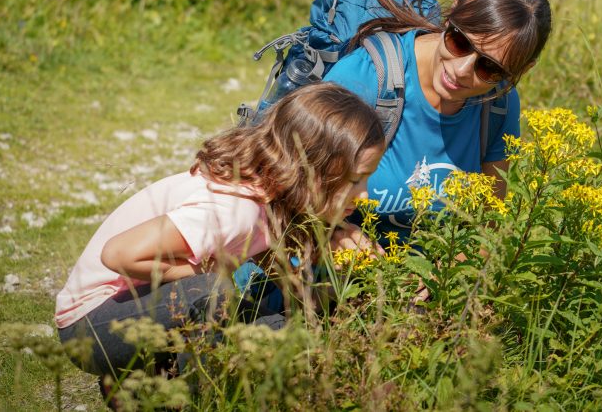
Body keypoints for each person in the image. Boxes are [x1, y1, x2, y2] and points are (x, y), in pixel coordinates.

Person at [55, 83, 385, 389]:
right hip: (89, 327)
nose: (364, 195)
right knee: (213, 291)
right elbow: (118, 254)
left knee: (274, 331)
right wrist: (205, 270)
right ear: (309, 169)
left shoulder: (271, 199)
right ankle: (193, 396)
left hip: (144, 309)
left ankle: (143, 386)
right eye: (354, 180)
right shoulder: (235, 211)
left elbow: (287, 282)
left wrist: (341, 261)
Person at [324, 0, 552, 242]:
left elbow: (487, 226)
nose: (461, 70)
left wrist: (453, 265)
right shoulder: (364, 77)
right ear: (451, 13)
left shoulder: (499, 105)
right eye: (460, 42)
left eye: (489, 67)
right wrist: (333, 241)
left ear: (523, 70)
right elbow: (295, 196)